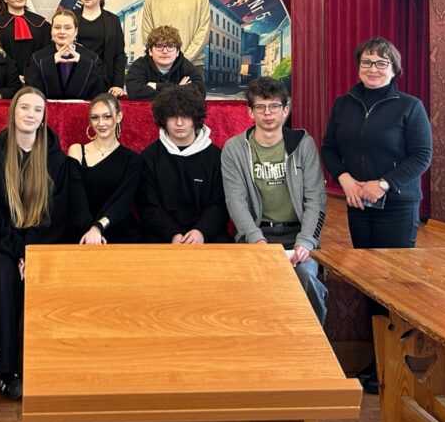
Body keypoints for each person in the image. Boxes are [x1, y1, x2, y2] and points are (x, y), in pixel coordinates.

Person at [321, 36, 432, 392]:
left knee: (393, 285)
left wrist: (383, 184)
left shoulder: (409, 107)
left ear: (394, 69)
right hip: (359, 206)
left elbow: (421, 156)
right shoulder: (344, 104)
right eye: (367, 62)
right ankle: (376, 360)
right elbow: (329, 148)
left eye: (381, 63)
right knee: (370, 282)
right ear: (358, 67)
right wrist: (344, 179)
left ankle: (397, 363)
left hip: (396, 206)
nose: (373, 69)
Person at [0, 87, 83, 400]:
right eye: (24, 108)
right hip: (1, 243)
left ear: (44, 117)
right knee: (2, 274)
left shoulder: (55, 159)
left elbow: (55, 215)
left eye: (37, 110)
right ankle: (6, 371)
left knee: (48, 274)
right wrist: (18, 251)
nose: (31, 115)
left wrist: (30, 251)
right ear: (13, 112)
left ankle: (50, 366)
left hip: (42, 241)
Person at [221, 77, 328, 325]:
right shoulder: (234, 148)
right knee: (249, 285)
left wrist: (306, 241)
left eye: (274, 106)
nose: (268, 113)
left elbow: (316, 198)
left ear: (285, 110)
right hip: (257, 235)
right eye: (260, 107)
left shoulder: (303, 144)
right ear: (250, 112)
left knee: (307, 278)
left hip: (297, 234)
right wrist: (255, 239)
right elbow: (235, 200)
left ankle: (313, 341)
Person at [138, 86, 228, 244]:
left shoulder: (216, 157)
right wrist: (173, 234)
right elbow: (147, 206)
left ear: (196, 118)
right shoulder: (149, 157)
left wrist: (201, 232)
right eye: (172, 116)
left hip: (208, 236)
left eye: (185, 116)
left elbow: (221, 204)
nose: (179, 123)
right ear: (163, 119)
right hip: (161, 236)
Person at [67, 93, 143, 244]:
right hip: (81, 233)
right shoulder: (76, 151)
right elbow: (76, 198)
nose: (101, 123)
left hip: (119, 234)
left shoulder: (133, 159)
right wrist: (89, 232)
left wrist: (98, 227)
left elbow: (123, 201)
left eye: (107, 116)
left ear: (119, 117)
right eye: (95, 118)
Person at [24, 8, 108, 100]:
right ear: (51, 30)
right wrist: (49, 63)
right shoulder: (37, 58)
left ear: (76, 31)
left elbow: (100, 91)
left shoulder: (92, 59)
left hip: (83, 108)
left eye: (68, 28)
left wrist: (83, 63)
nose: (62, 32)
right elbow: (31, 91)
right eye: (57, 27)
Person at [75, 0, 126, 98]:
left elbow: (119, 54)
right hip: (75, 78)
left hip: (104, 80)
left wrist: (118, 84)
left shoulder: (112, 20)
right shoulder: (71, 17)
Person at [0, 0, 51, 80]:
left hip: (37, 78)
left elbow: (46, 53)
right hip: (6, 78)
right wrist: (12, 75)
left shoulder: (42, 24)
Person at [125, 24, 206, 100]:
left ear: (177, 52)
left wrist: (156, 86)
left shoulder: (185, 65)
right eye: (159, 46)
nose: (165, 51)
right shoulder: (139, 65)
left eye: (170, 46)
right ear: (150, 51)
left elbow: (200, 92)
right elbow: (134, 91)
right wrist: (179, 89)